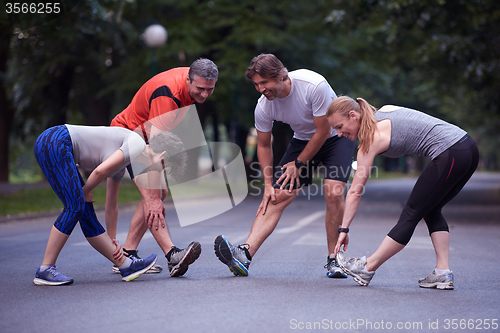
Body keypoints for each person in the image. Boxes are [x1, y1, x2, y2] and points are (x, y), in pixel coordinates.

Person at [214, 54, 355, 277]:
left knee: (334, 192)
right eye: (256, 84)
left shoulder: (313, 86)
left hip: (335, 137)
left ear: (281, 76)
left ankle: (334, 259)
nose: (261, 89)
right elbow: (263, 145)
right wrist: (268, 184)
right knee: (276, 195)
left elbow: (322, 131)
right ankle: (244, 254)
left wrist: (298, 164)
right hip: (303, 140)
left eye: (264, 83)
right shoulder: (264, 106)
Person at [327, 96, 479, 289]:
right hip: (468, 147)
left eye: (340, 127)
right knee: (431, 209)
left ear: (353, 115)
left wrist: (343, 229)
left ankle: (367, 267)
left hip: (450, 151)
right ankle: (442, 272)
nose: (339, 134)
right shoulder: (385, 110)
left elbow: (355, 191)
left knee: (411, 213)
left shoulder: (371, 140)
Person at [108, 58, 218, 276]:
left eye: (210, 89)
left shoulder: (192, 79)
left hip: (143, 139)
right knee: (154, 196)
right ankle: (172, 255)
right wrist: (155, 198)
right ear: (188, 79)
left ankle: (127, 254)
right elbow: (155, 150)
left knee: (159, 192)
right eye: (200, 89)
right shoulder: (167, 95)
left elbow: (159, 139)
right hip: (127, 137)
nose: (204, 95)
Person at [33, 124, 160, 285]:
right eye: (163, 164)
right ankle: (45, 269)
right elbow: (100, 171)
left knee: (85, 211)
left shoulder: (127, 158)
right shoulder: (138, 143)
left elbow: (112, 203)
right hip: (55, 140)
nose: (160, 170)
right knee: (76, 205)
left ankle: (126, 265)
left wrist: (112, 240)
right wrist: (85, 191)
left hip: (54, 143)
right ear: (161, 152)